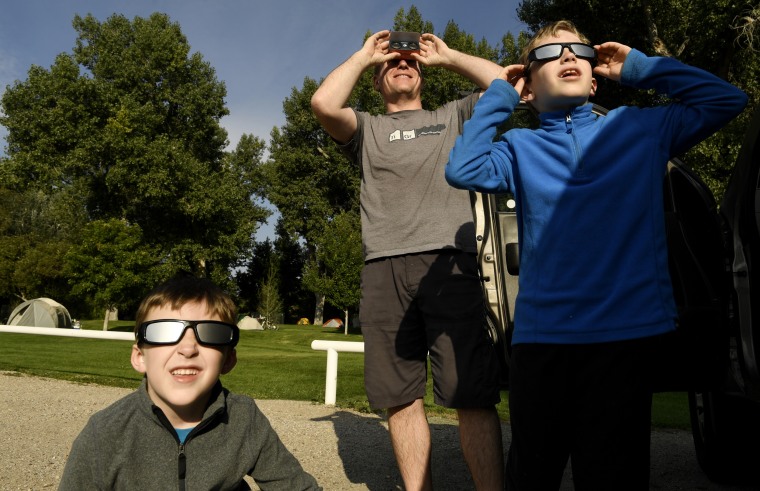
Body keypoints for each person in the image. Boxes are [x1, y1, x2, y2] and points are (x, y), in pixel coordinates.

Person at [445, 20, 748, 490]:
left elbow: (728, 100)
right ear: (529, 87)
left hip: (626, 342)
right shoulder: (518, 148)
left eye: (578, 50)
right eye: (549, 54)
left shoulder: (641, 130)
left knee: (613, 479)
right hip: (542, 344)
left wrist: (640, 68)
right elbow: (463, 167)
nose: (567, 57)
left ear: (594, 75)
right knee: (531, 476)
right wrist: (500, 96)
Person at [311, 30, 505, 490]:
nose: (403, 65)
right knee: (400, 397)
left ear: (424, 76)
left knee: (471, 394)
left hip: (450, 266)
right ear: (375, 83)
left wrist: (448, 56)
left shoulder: (453, 115)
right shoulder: (366, 129)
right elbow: (323, 104)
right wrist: (362, 56)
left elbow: (507, 87)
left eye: (411, 63)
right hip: (383, 270)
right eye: (391, 64)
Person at [58, 275, 321, 490]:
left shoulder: (243, 419)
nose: (187, 348)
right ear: (140, 357)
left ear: (228, 360)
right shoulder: (104, 433)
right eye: (165, 331)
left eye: (211, 333)